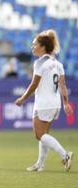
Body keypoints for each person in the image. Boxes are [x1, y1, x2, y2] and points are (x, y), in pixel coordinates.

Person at [14, 29, 73, 172]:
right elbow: (63, 85)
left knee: (39, 135)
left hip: (43, 104)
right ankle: (40, 164)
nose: (32, 47)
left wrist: (22, 99)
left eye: (34, 44)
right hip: (55, 104)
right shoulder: (57, 63)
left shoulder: (40, 63)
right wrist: (66, 103)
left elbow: (34, 84)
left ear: (43, 47)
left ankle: (65, 155)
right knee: (44, 135)